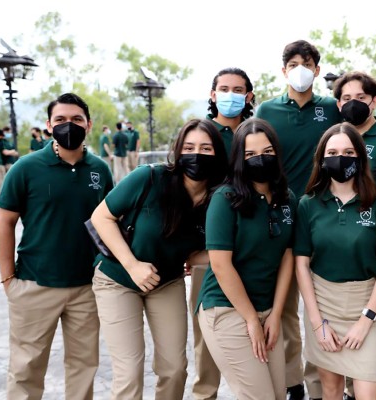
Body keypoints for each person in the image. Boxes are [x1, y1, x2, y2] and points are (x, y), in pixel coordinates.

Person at [90, 118, 228, 400]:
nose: (196, 154)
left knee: (175, 368)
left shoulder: (219, 198)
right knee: (129, 372)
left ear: (218, 153)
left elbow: (197, 251)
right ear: (178, 151)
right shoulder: (149, 178)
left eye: (206, 148)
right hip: (118, 279)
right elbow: (100, 217)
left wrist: (227, 257)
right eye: (188, 147)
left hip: (166, 282)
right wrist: (132, 265)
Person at [0, 93, 113, 399]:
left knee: (84, 367)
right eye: (60, 120)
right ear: (48, 125)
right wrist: (9, 280)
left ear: (88, 124)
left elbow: (113, 223)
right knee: (25, 371)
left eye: (76, 119)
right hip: (34, 284)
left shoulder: (100, 170)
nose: (68, 125)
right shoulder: (26, 167)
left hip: (87, 288)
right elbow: (5, 222)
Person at [256, 39, 342, 400]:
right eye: (293, 63)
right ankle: (293, 383)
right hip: (282, 212)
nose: (300, 69)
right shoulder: (267, 110)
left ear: (317, 70)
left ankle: (327, 383)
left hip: (325, 213)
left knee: (325, 301)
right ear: (284, 70)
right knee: (286, 306)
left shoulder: (331, 109)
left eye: (307, 63)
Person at [294, 122, 376, 400]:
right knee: (330, 390)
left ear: (360, 157)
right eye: (333, 152)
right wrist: (317, 323)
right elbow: (301, 265)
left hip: (366, 307)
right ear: (322, 159)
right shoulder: (308, 204)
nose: (340, 158)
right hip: (324, 305)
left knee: (368, 393)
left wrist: (367, 319)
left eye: (349, 151)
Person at [196, 118, 296, 400]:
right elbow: (219, 263)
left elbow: (287, 255)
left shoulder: (287, 198)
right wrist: (251, 318)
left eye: (266, 152)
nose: (259, 160)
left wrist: (275, 314)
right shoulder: (225, 198)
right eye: (250, 154)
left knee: (277, 394)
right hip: (228, 309)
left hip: (267, 311)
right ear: (239, 158)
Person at [333, 71, 376, 400]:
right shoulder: (338, 139)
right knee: (345, 321)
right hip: (344, 247)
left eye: (360, 98)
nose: (353, 104)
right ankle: (351, 389)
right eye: (346, 98)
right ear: (337, 103)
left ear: (374, 100)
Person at [190, 66, 255, 400]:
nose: (231, 95)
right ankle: (206, 393)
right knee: (207, 328)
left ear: (249, 96)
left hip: (253, 246)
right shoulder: (203, 135)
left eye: (238, 89)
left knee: (266, 319)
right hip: (210, 249)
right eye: (224, 88)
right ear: (213, 95)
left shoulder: (255, 134)